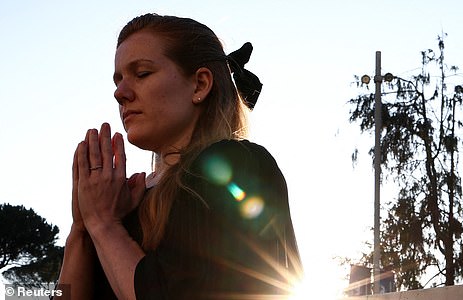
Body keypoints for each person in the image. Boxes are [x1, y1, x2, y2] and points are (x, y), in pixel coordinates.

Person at [55, 13, 302, 300]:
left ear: (199, 84)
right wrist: (82, 227)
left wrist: (104, 226)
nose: (120, 93)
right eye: (118, 80)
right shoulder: (119, 205)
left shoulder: (236, 164)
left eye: (142, 73)